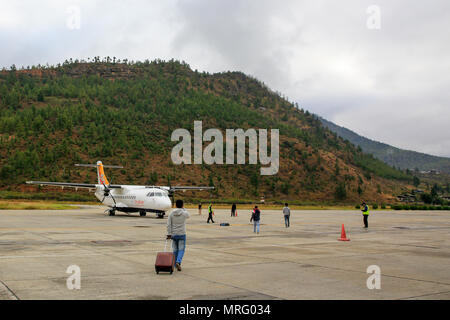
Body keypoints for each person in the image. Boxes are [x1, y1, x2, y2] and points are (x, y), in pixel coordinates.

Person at [167, 199, 190, 271]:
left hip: (174, 234)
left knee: (175, 249)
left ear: (175, 205)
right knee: (181, 249)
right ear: (182, 205)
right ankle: (178, 262)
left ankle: (174, 263)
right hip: (182, 234)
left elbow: (168, 224)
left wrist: (169, 234)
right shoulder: (184, 213)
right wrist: (183, 208)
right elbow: (188, 215)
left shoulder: (171, 213)